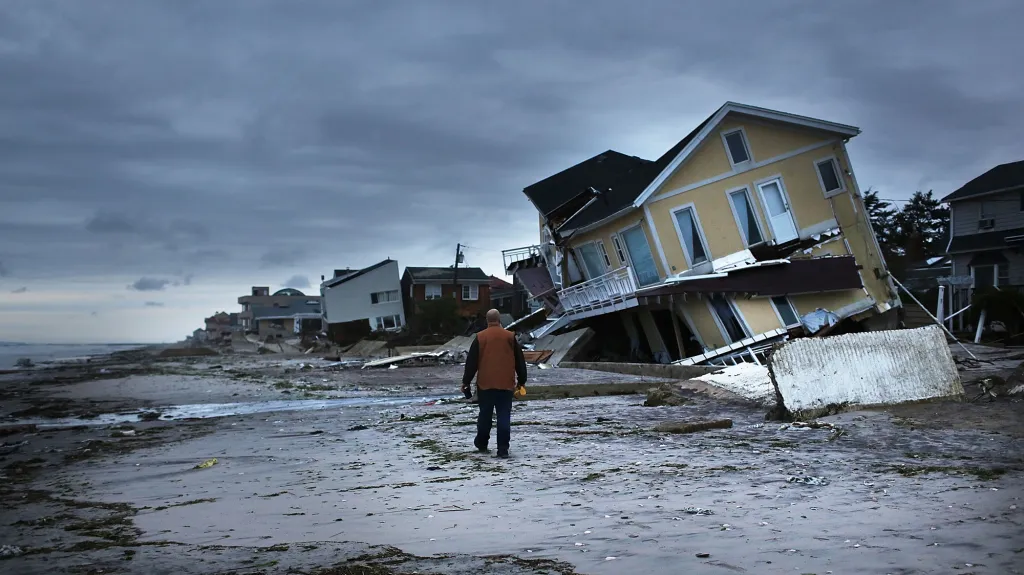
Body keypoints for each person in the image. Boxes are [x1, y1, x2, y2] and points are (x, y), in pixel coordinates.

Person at [461, 309, 527, 458]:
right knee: (504, 416)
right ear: (499, 320)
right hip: (506, 384)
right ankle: (503, 449)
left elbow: (471, 363)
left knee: (485, 415)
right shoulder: (510, 336)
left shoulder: (480, 337)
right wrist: (522, 381)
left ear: (487, 320)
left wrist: (466, 382)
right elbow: (520, 361)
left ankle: (482, 443)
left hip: (485, 384)